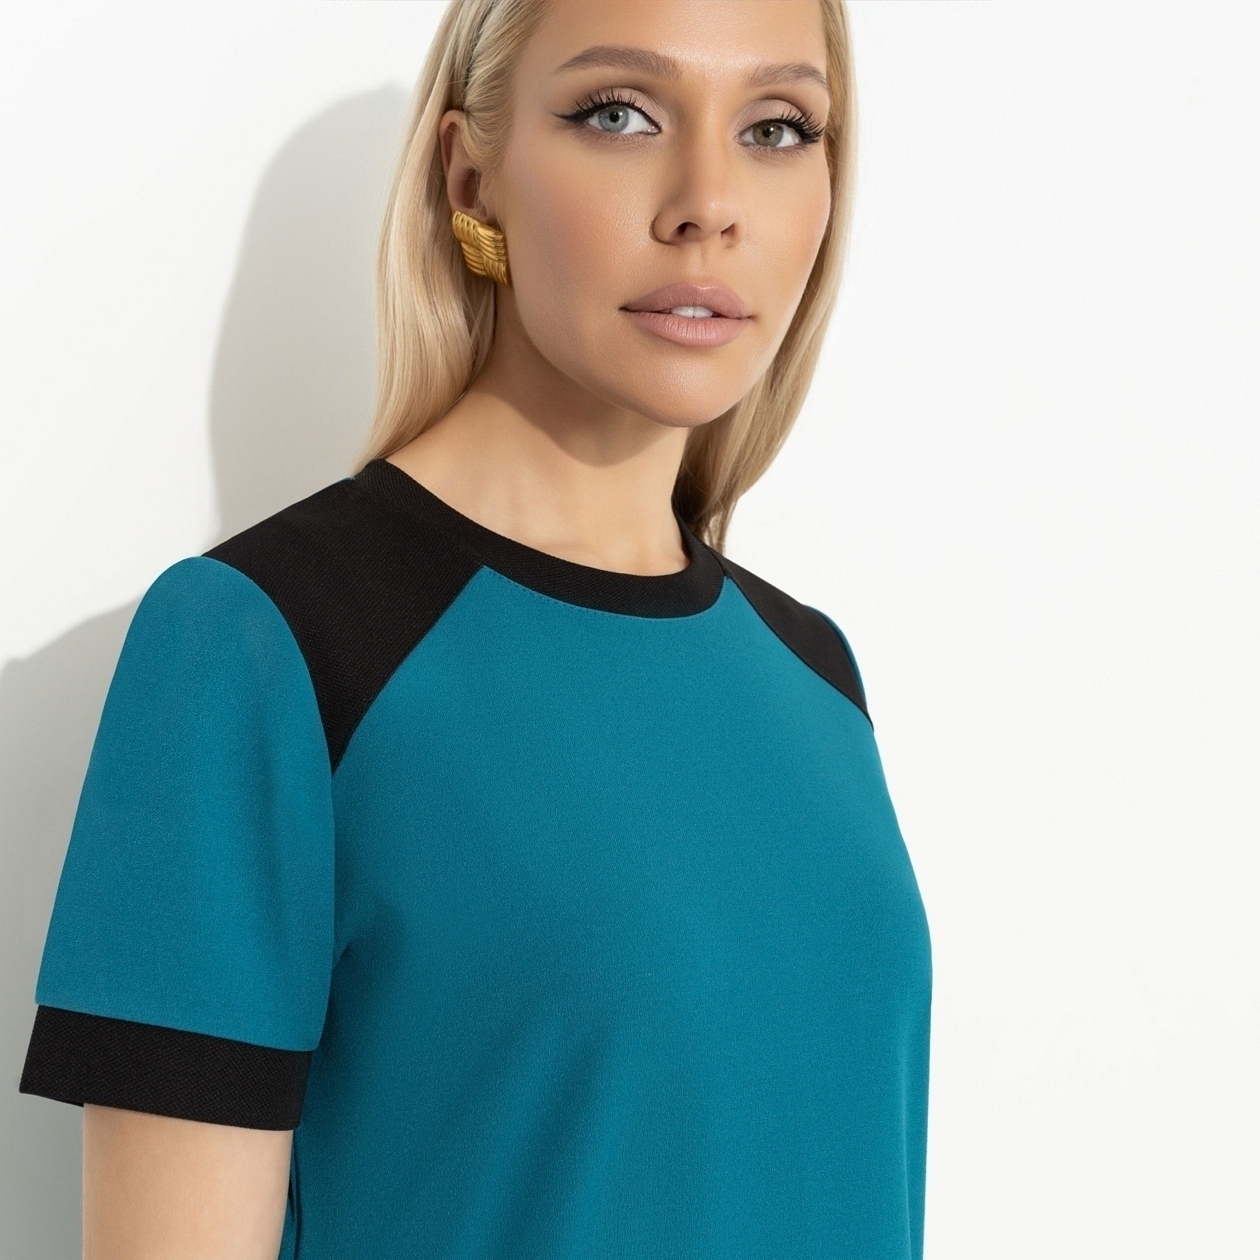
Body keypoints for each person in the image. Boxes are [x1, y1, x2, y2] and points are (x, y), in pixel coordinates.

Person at [20, 1, 931, 1256]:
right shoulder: (263, 645)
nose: (709, 203)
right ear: (470, 177)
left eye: (777, 127)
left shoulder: (814, 676)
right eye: (620, 114)